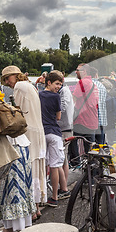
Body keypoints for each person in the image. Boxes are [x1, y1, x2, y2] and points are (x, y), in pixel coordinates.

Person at [0, 66, 47, 220]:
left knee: (30, 170)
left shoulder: (19, 87)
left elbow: (16, 114)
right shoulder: (30, 85)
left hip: (29, 131)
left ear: (15, 76)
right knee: (38, 169)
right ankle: (37, 207)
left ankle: (32, 210)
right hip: (38, 130)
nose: (8, 82)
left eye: (8, 78)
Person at [39, 72, 69, 207]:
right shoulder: (56, 97)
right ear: (49, 82)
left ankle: (42, 194)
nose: (59, 87)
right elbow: (58, 117)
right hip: (54, 132)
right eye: (57, 83)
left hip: (42, 132)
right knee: (55, 166)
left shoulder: (38, 94)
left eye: (60, 84)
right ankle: (54, 197)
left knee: (43, 164)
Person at [52, 70, 74, 192]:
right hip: (65, 127)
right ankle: (63, 186)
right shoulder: (64, 90)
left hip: (64, 128)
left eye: (59, 83)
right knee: (63, 158)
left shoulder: (64, 91)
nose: (58, 86)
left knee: (62, 158)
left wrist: (52, 113)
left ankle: (63, 187)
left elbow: (63, 107)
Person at [72, 63, 99, 152]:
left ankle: (77, 164)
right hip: (92, 121)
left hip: (82, 120)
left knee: (71, 139)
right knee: (90, 151)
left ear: (84, 71)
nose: (76, 72)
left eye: (77, 70)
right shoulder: (93, 84)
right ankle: (91, 165)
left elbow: (73, 100)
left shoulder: (83, 82)